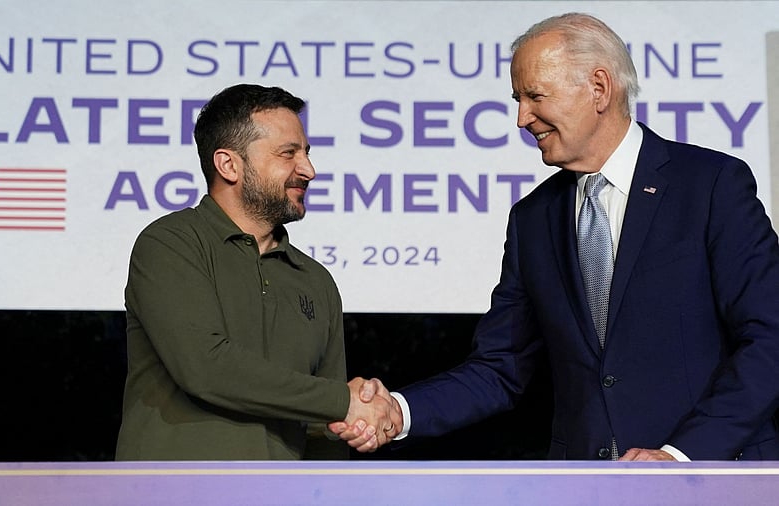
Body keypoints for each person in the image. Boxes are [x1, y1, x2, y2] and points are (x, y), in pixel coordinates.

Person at [332, 12, 779, 461]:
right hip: (587, 484)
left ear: (599, 88)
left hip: (714, 477)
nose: (522, 118)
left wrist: (681, 454)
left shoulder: (710, 185)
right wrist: (398, 411)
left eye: (534, 96)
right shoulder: (533, 219)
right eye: (517, 99)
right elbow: (500, 367)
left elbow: (769, 338)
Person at [115, 83, 401, 460]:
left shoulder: (315, 280)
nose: (309, 170)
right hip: (174, 495)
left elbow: (322, 421)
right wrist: (343, 403)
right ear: (228, 164)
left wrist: (351, 427)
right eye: (289, 154)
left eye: (307, 153)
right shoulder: (171, 244)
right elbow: (206, 367)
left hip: (286, 498)